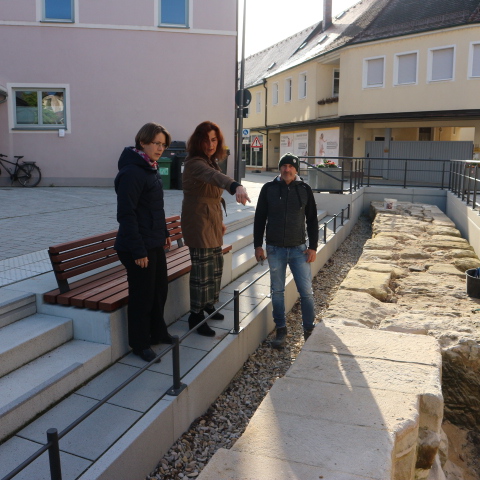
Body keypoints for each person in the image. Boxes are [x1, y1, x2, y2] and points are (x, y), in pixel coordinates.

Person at [182, 121, 250, 336]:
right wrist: (235, 185)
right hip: (198, 219)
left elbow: (212, 188)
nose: (210, 144)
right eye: (206, 139)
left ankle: (209, 305)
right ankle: (195, 315)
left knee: (216, 265)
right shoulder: (195, 163)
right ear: (197, 141)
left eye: (214, 139)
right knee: (202, 270)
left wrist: (219, 220)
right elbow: (214, 179)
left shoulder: (210, 161)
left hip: (211, 218)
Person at [114, 122, 173, 363]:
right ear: (143, 142)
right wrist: (138, 250)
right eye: (156, 143)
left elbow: (153, 209)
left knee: (159, 290)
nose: (160, 148)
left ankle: (157, 332)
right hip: (136, 247)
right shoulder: (131, 172)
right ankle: (139, 344)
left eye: (163, 144)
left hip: (153, 241)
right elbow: (126, 215)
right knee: (142, 296)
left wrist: (165, 232)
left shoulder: (150, 168)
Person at [253, 152, 319, 348]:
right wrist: (258, 245)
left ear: (296, 169)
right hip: (275, 249)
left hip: (299, 250)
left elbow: (313, 219)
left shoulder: (305, 189)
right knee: (277, 291)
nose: (287, 169)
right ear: (279, 168)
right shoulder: (268, 189)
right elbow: (259, 218)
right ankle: (281, 330)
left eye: (291, 166)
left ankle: (309, 329)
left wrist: (313, 247)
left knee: (306, 292)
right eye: (284, 166)